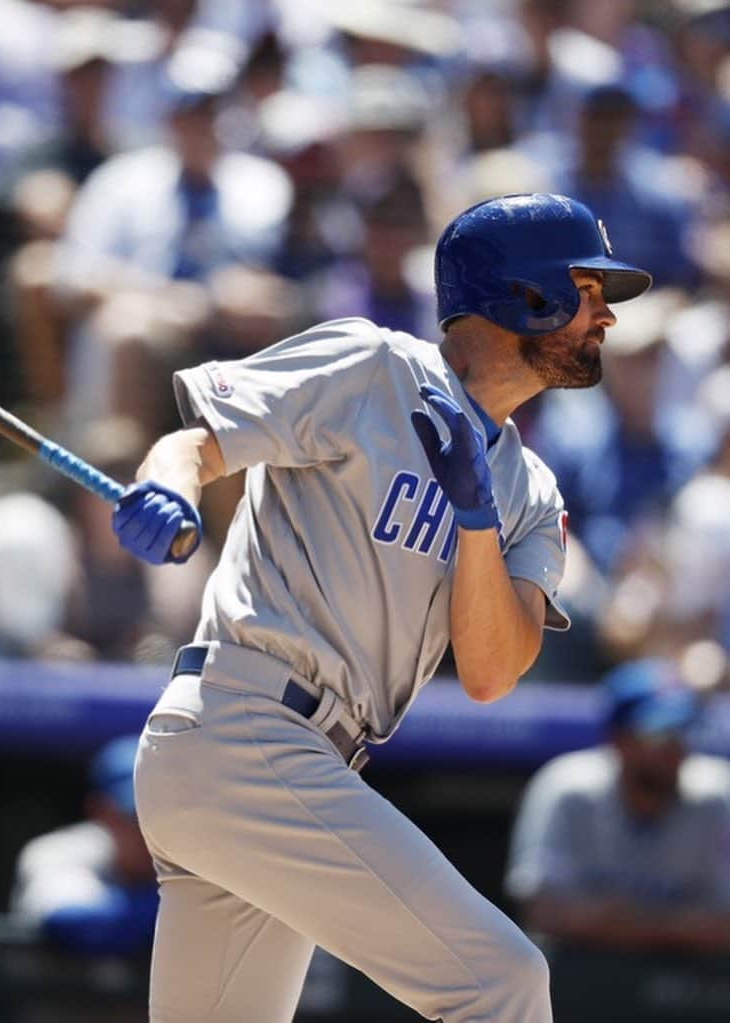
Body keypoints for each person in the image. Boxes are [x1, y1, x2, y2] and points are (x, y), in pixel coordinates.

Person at [110, 192, 652, 1023]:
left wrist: (476, 524)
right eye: (586, 290)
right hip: (243, 723)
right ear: (525, 292)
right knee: (501, 983)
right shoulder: (375, 368)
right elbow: (198, 444)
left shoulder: (531, 492)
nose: (603, 317)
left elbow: (488, 671)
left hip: (296, 759)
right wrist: (165, 485)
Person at [505, 658, 730, 953]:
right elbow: (545, 913)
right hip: (583, 974)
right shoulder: (567, 790)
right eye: (660, 734)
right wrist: (677, 925)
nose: (675, 748)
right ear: (618, 740)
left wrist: (614, 920)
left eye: (682, 731)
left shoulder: (718, 796)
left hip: (691, 982)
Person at [10, 735, 159, 957]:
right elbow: (76, 924)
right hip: (58, 991)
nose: (155, 831)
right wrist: (186, 905)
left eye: (166, 817)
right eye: (138, 817)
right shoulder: (57, 853)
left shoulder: (197, 855)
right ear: (99, 811)